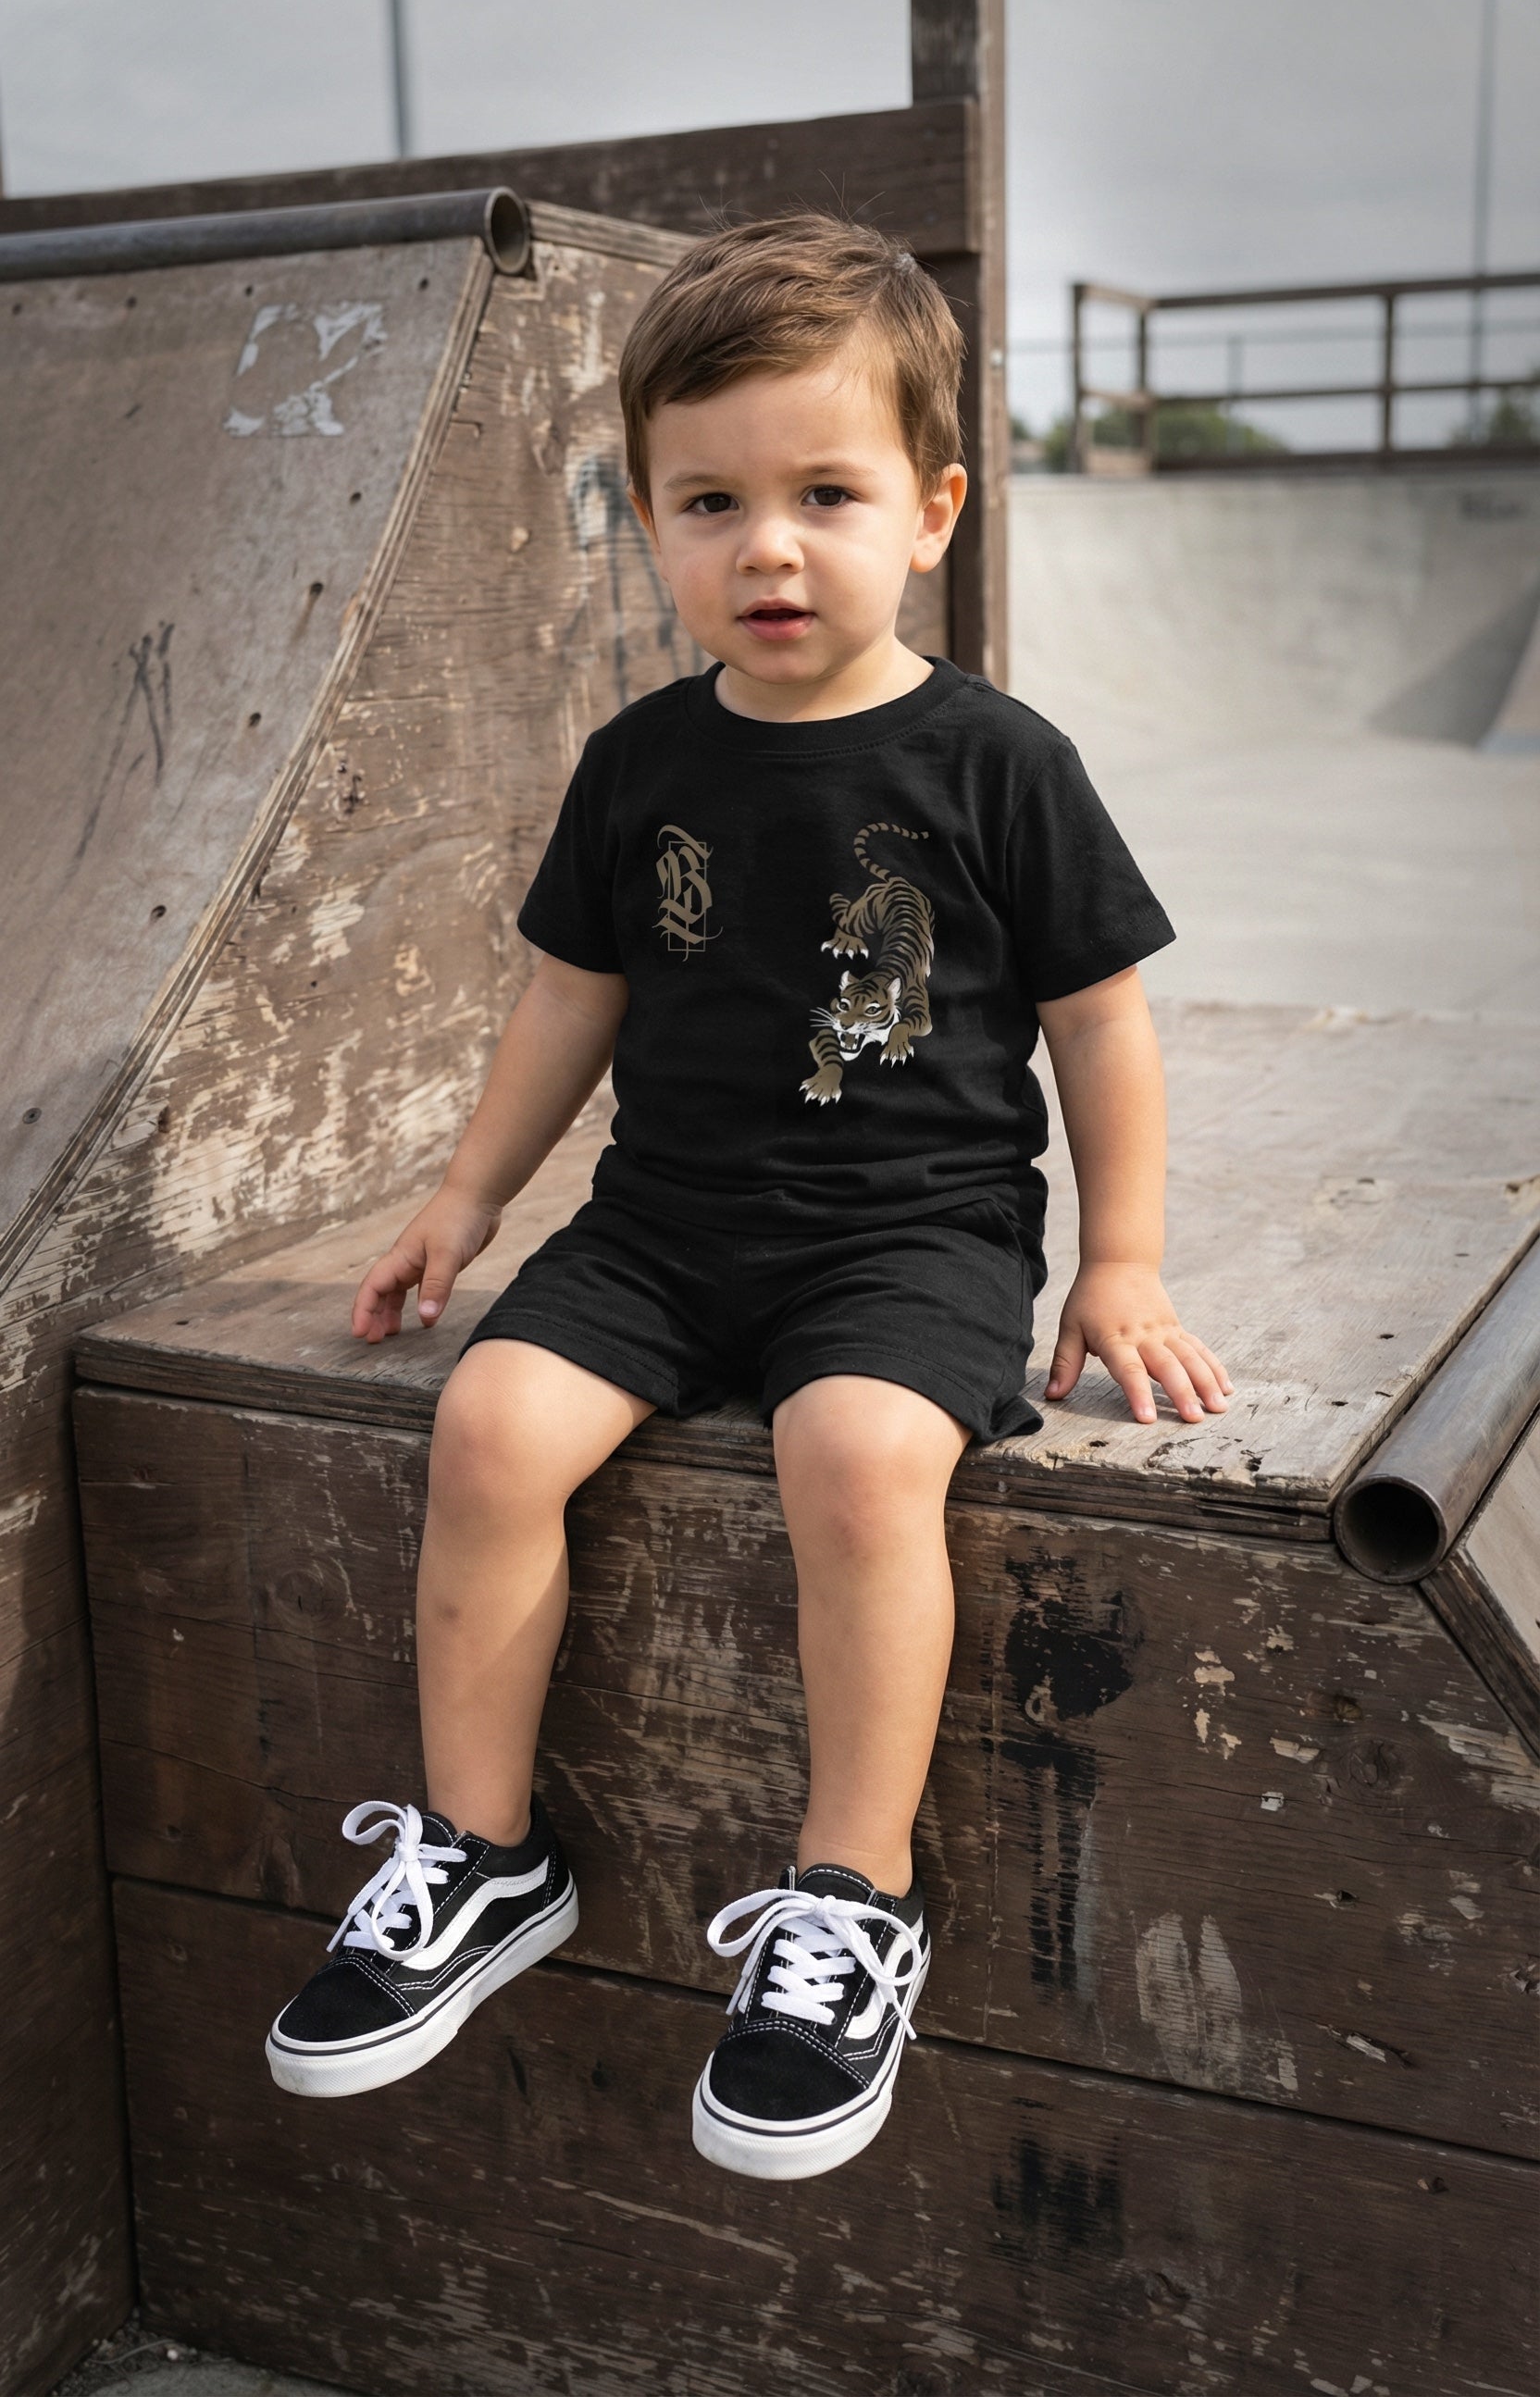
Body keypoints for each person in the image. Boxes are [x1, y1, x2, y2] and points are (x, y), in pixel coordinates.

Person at [264, 210, 1232, 2180]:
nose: (767, 548)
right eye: (710, 502)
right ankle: (482, 1854)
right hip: (661, 1231)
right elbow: (572, 996)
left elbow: (1100, 1023)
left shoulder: (997, 762)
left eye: (824, 495)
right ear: (647, 521)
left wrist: (1120, 1257)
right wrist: (466, 1197)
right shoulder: (639, 762)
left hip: (911, 1238)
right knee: (490, 1423)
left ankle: (851, 1900)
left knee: (858, 1458)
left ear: (932, 512)